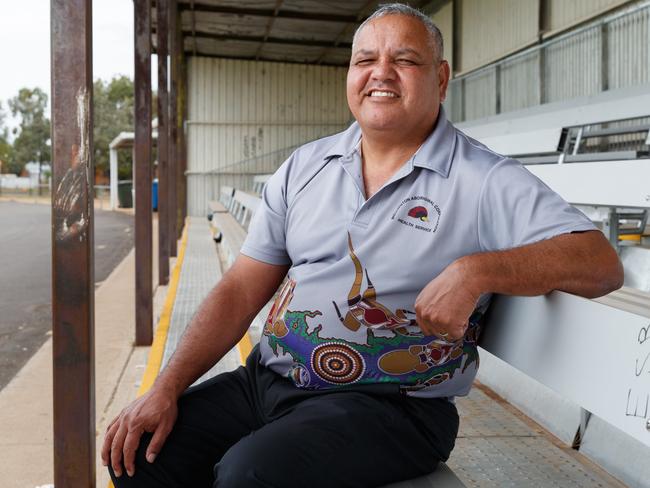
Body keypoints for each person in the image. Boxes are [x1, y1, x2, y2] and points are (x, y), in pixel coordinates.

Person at [103, 4, 623, 487]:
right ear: (350, 77)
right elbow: (241, 289)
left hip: (392, 407)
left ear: (440, 79)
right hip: (269, 379)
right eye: (366, 60)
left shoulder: (484, 178)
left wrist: (478, 270)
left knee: (250, 475)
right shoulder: (306, 167)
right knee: (138, 452)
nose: (381, 72)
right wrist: (165, 388)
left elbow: (599, 263)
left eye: (405, 60)